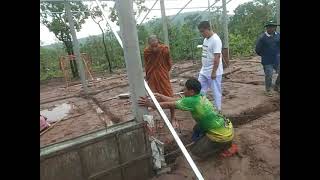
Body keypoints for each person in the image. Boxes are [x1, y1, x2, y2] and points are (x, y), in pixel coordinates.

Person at [138, 78, 234, 159]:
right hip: (226, 127)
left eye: (185, 89)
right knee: (196, 128)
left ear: (191, 92)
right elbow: (178, 101)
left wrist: (150, 104)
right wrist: (161, 96)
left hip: (222, 136)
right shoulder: (199, 96)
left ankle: (224, 147)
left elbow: (169, 104)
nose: (183, 90)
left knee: (196, 153)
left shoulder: (192, 102)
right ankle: (205, 142)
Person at [144, 35, 177, 128]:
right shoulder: (147, 51)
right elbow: (147, 64)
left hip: (163, 76)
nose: (154, 48)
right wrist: (148, 74)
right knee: (155, 98)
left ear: (158, 42)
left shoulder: (164, 49)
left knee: (169, 95)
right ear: (149, 44)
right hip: (152, 77)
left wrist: (164, 71)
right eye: (152, 46)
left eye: (155, 45)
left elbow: (169, 62)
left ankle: (173, 117)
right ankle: (162, 118)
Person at [197, 21, 224, 111]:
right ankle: (202, 107)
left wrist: (213, 72)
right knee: (199, 89)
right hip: (204, 70)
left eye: (203, 31)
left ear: (209, 29)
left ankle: (218, 110)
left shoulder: (216, 40)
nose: (202, 34)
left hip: (214, 72)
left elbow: (217, 57)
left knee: (216, 91)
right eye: (200, 32)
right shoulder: (206, 39)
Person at [255, 20, 280, 96]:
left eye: (272, 27)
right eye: (269, 27)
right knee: (269, 75)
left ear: (275, 27)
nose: (270, 28)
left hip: (277, 59)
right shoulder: (262, 38)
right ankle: (268, 90)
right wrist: (264, 55)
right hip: (267, 60)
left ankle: (276, 85)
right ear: (266, 28)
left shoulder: (278, 35)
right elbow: (257, 49)